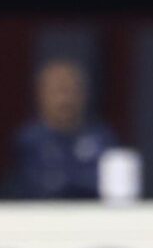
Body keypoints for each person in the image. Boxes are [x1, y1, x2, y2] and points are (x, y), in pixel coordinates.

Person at [7, 58, 117, 199]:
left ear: (84, 94)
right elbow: (33, 187)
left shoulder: (102, 138)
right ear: (41, 94)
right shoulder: (28, 141)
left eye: (71, 90)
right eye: (57, 90)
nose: (65, 99)